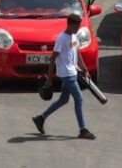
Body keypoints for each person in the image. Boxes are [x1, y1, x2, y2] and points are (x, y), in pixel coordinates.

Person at [32, 12, 95, 140]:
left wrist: (85, 69)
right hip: (66, 74)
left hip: (73, 71)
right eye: (77, 26)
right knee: (79, 99)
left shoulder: (74, 37)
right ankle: (83, 130)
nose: (78, 28)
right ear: (70, 25)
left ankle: (41, 118)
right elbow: (53, 58)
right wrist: (49, 79)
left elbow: (77, 53)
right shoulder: (61, 38)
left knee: (64, 100)